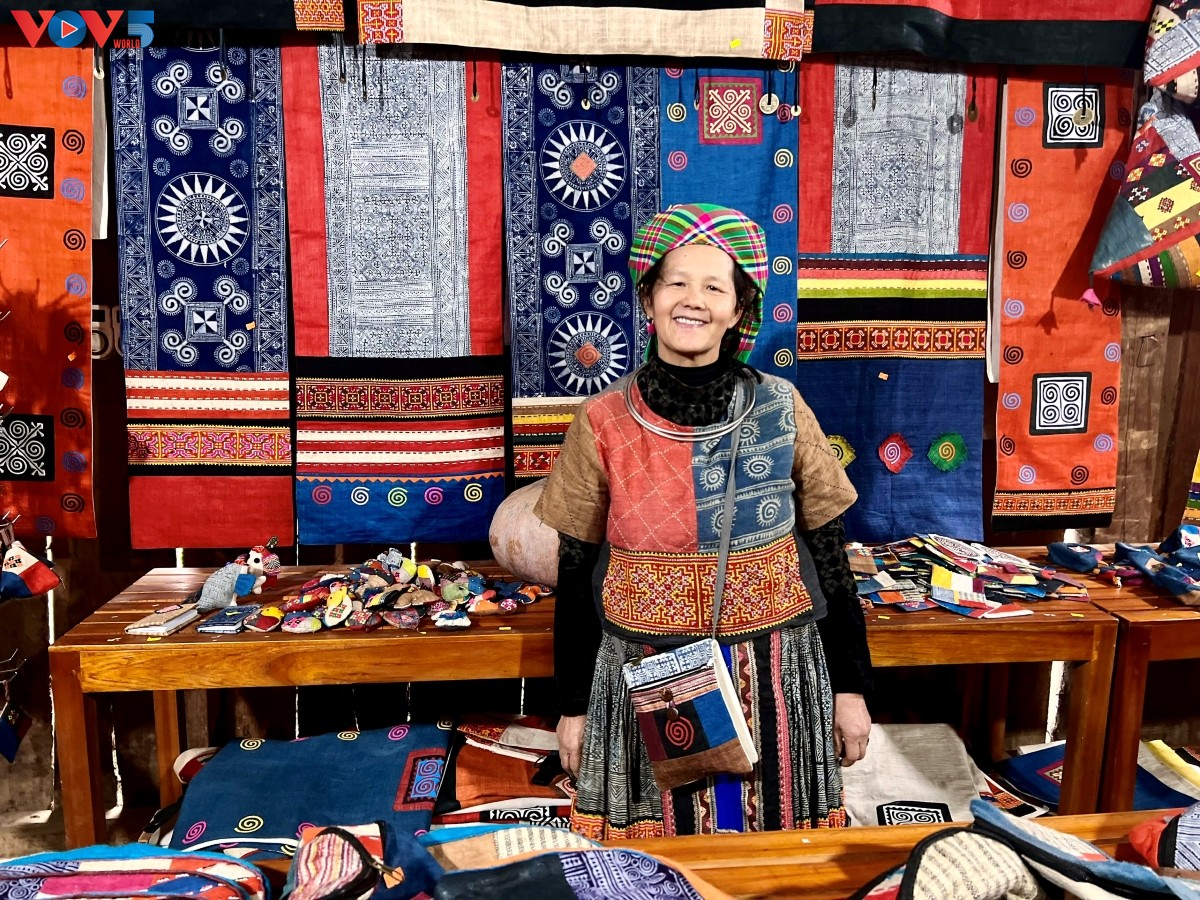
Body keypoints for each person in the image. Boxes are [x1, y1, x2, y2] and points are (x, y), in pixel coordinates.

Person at [535, 203, 872, 839]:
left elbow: (831, 558)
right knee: (655, 865)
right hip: (640, 680)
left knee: (773, 863)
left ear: (739, 310)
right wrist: (573, 706)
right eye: (677, 283)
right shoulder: (601, 420)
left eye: (715, 287)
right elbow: (575, 576)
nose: (694, 300)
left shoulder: (782, 406)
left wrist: (850, 690)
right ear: (648, 297)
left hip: (776, 676)